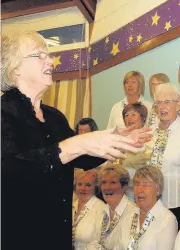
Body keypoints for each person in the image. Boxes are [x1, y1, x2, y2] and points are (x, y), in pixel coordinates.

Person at [1, 30, 150, 250]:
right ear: (15, 69)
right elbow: (10, 168)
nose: (50, 60)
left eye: (49, 54)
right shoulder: (4, 113)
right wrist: (75, 144)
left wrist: (116, 140)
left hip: (56, 234)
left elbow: (82, 158)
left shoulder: (54, 117)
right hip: (21, 236)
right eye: (38, 55)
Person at [147, 83, 180, 227]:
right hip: (151, 204)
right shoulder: (149, 133)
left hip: (178, 205)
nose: (162, 107)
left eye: (167, 102)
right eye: (158, 103)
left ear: (178, 104)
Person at [115, 165, 178, 250]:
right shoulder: (129, 214)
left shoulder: (167, 220)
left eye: (146, 185)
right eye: (137, 184)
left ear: (158, 189)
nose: (139, 190)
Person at [88, 164, 137, 250]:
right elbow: (93, 243)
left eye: (112, 182)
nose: (107, 187)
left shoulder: (134, 212)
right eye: (104, 182)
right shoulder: (102, 211)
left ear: (124, 186)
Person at [119, 103, 152, 201]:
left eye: (133, 114)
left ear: (143, 118)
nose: (129, 118)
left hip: (144, 191)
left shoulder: (150, 138)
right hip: (125, 192)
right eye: (126, 115)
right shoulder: (121, 140)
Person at [73, 169, 105, 250]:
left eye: (88, 185)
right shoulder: (70, 204)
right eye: (79, 184)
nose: (83, 188)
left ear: (96, 187)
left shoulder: (101, 209)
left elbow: (100, 244)